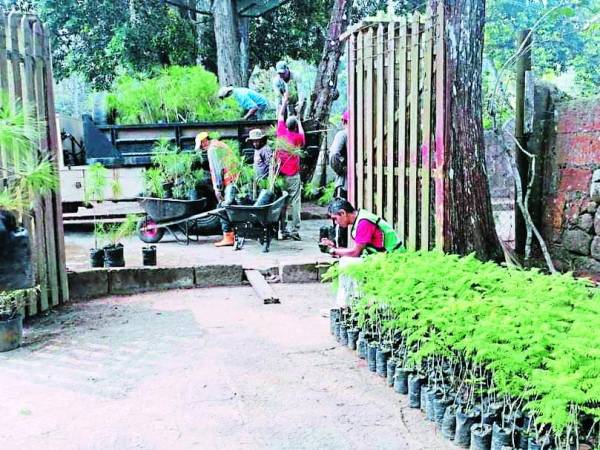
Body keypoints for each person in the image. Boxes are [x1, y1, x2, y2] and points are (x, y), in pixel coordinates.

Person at [321, 198, 403, 308]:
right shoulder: (361, 218)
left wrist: (332, 250)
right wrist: (334, 248)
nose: (336, 223)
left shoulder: (364, 222)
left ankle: (344, 305)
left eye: (335, 219)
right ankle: (350, 304)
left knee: (346, 263)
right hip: (383, 256)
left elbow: (355, 253)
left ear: (343, 213)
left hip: (392, 259)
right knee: (348, 262)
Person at [194, 132, 238, 247]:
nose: (202, 148)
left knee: (222, 207)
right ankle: (232, 234)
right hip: (234, 178)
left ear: (204, 141)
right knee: (229, 207)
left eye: (201, 146)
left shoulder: (212, 150)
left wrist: (218, 189)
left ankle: (228, 236)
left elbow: (217, 169)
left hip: (229, 180)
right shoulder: (218, 144)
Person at [275, 100, 304, 240]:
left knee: (283, 203)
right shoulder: (297, 137)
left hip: (281, 176)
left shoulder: (280, 133)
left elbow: (280, 115)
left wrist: (284, 101)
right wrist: (298, 120)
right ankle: (295, 230)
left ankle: (283, 229)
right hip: (293, 176)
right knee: (295, 202)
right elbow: (303, 137)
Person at [329, 109, 349, 247]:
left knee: (340, 218)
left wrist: (341, 171)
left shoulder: (342, 134)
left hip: (344, 184)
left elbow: (333, 155)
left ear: (343, 121)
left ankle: (341, 247)